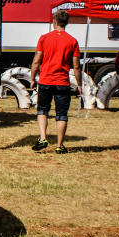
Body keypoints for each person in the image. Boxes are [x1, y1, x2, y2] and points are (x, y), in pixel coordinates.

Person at [30, 10, 82, 154]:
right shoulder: (72, 41)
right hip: (62, 82)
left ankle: (43, 138)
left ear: (54, 21)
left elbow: (36, 61)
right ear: (67, 22)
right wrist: (79, 84)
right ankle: (60, 145)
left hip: (45, 80)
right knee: (61, 114)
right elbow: (76, 65)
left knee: (42, 110)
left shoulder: (44, 38)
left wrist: (32, 79)